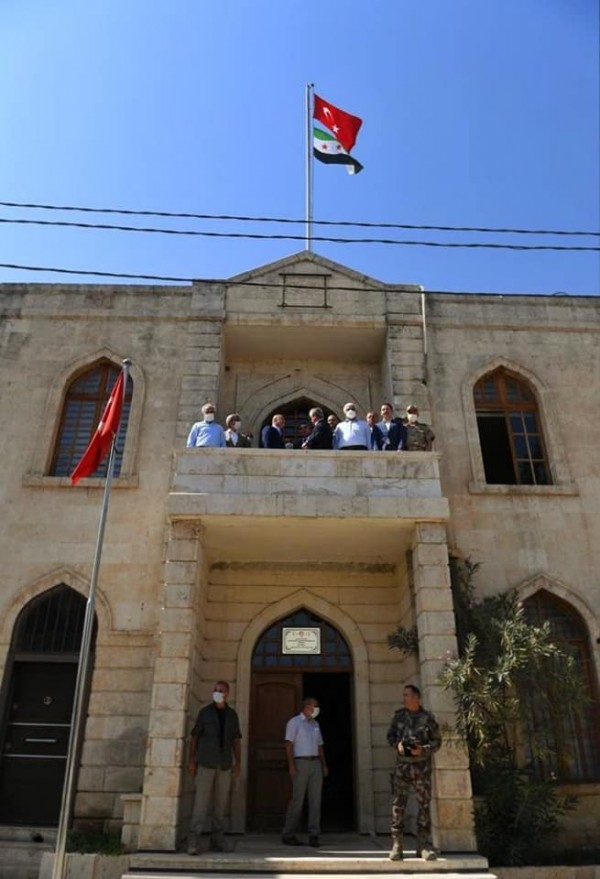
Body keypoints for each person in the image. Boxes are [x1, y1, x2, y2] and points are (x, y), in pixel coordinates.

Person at [387, 684, 441, 862]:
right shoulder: (399, 716)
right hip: (402, 768)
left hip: (421, 768)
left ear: (416, 698)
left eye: (407, 695)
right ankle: (397, 845)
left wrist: (423, 750)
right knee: (398, 804)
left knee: (424, 806)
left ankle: (423, 846)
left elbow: (437, 742)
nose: (404, 698)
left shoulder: (427, 718)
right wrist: (398, 745)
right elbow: (391, 736)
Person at [187, 681, 242, 855]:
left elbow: (236, 740)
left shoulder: (232, 715)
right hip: (205, 763)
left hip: (224, 764)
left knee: (220, 805)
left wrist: (238, 763)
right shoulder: (205, 713)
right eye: (216, 690)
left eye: (221, 691)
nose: (218, 693)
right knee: (200, 804)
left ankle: (217, 840)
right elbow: (195, 737)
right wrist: (192, 760)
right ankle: (193, 840)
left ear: (228, 694)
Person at [281, 697, 329, 847]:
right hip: (300, 762)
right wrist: (292, 765)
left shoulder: (315, 724)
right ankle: (288, 833)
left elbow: (320, 746)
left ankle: (314, 834)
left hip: (315, 763)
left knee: (315, 799)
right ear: (307, 707)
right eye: (315, 706)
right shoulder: (294, 722)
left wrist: (324, 765)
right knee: (297, 799)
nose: (316, 709)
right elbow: (288, 744)